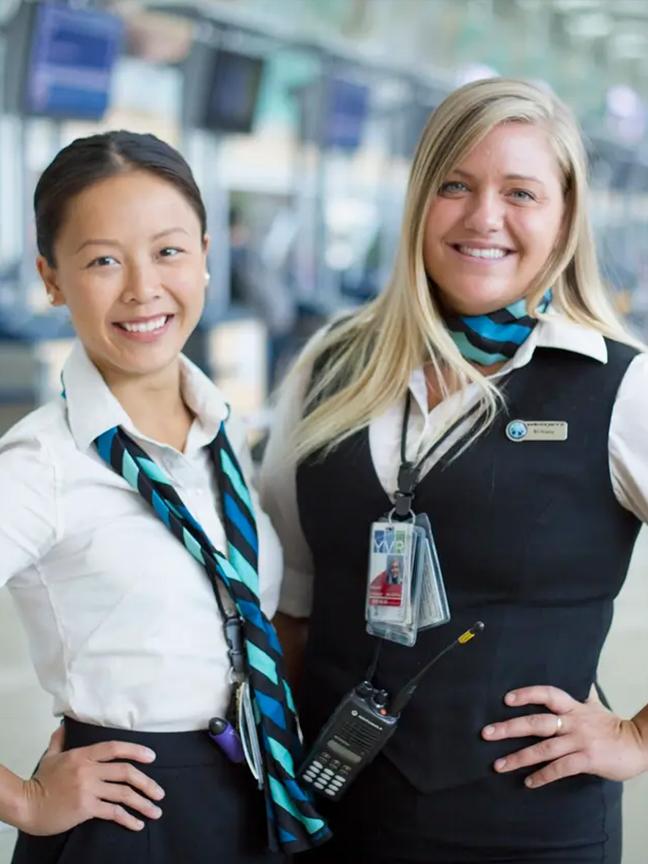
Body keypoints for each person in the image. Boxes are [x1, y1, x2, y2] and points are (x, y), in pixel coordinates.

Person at [259, 78, 648, 863]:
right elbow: (290, 604)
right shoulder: (333, 363)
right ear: (418, 201)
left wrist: (635, 738)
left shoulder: (618, 386)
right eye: (456, 185)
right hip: (332, 819)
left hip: (526, 833)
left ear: (567, 216)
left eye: (521, 193)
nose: (484, 218)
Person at [0, 131, 328, 864]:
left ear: (207, 256)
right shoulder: (41, 463)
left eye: (169, 251)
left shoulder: (219, 430)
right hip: (129, 814)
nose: (143, 287)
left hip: (250, 786)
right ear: (52, 279)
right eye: (103, 261)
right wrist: (23, 800)